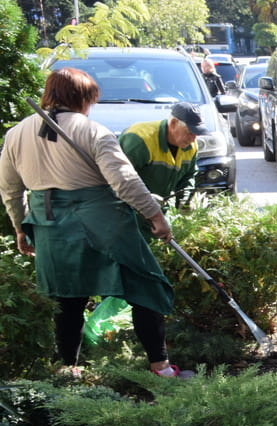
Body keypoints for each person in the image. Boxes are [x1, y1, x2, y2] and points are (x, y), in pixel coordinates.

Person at [0, 68, 185, 378]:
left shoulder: (16, 134)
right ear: (83, 98)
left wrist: (21, 227)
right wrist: (156, 216)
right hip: (102, 225)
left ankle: (67, 370)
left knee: (68, 299)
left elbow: (10, 188)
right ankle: (160, 367)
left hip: (49, 226)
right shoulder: (92, 131)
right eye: (91, 99)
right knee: (146, 287)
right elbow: (125, 181)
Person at [118, 102, 209, 208]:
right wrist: (144, 197)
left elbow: (188, 175)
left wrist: (184, 200)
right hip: (125, 210)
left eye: (196, 134)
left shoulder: (190, 146)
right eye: (189, 132)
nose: (193, 139)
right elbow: (117, 179)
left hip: (157, 208)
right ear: (173, 123)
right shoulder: (140, 140)